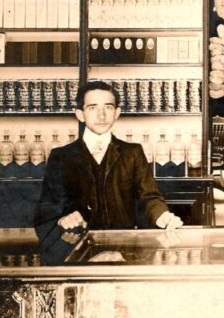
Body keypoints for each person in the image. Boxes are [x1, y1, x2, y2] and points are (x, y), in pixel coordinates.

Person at [36, 80, 184, 233]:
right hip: (76, 242)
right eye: (93, 108)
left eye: (108, 107)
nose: (101, 115)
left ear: (117, 113)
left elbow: (149, 197)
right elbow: (47, 207)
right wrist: (62, 219)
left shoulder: (133, 152)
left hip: (122, 243)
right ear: (80, 114)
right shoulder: (60, 156)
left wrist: (161, 215)